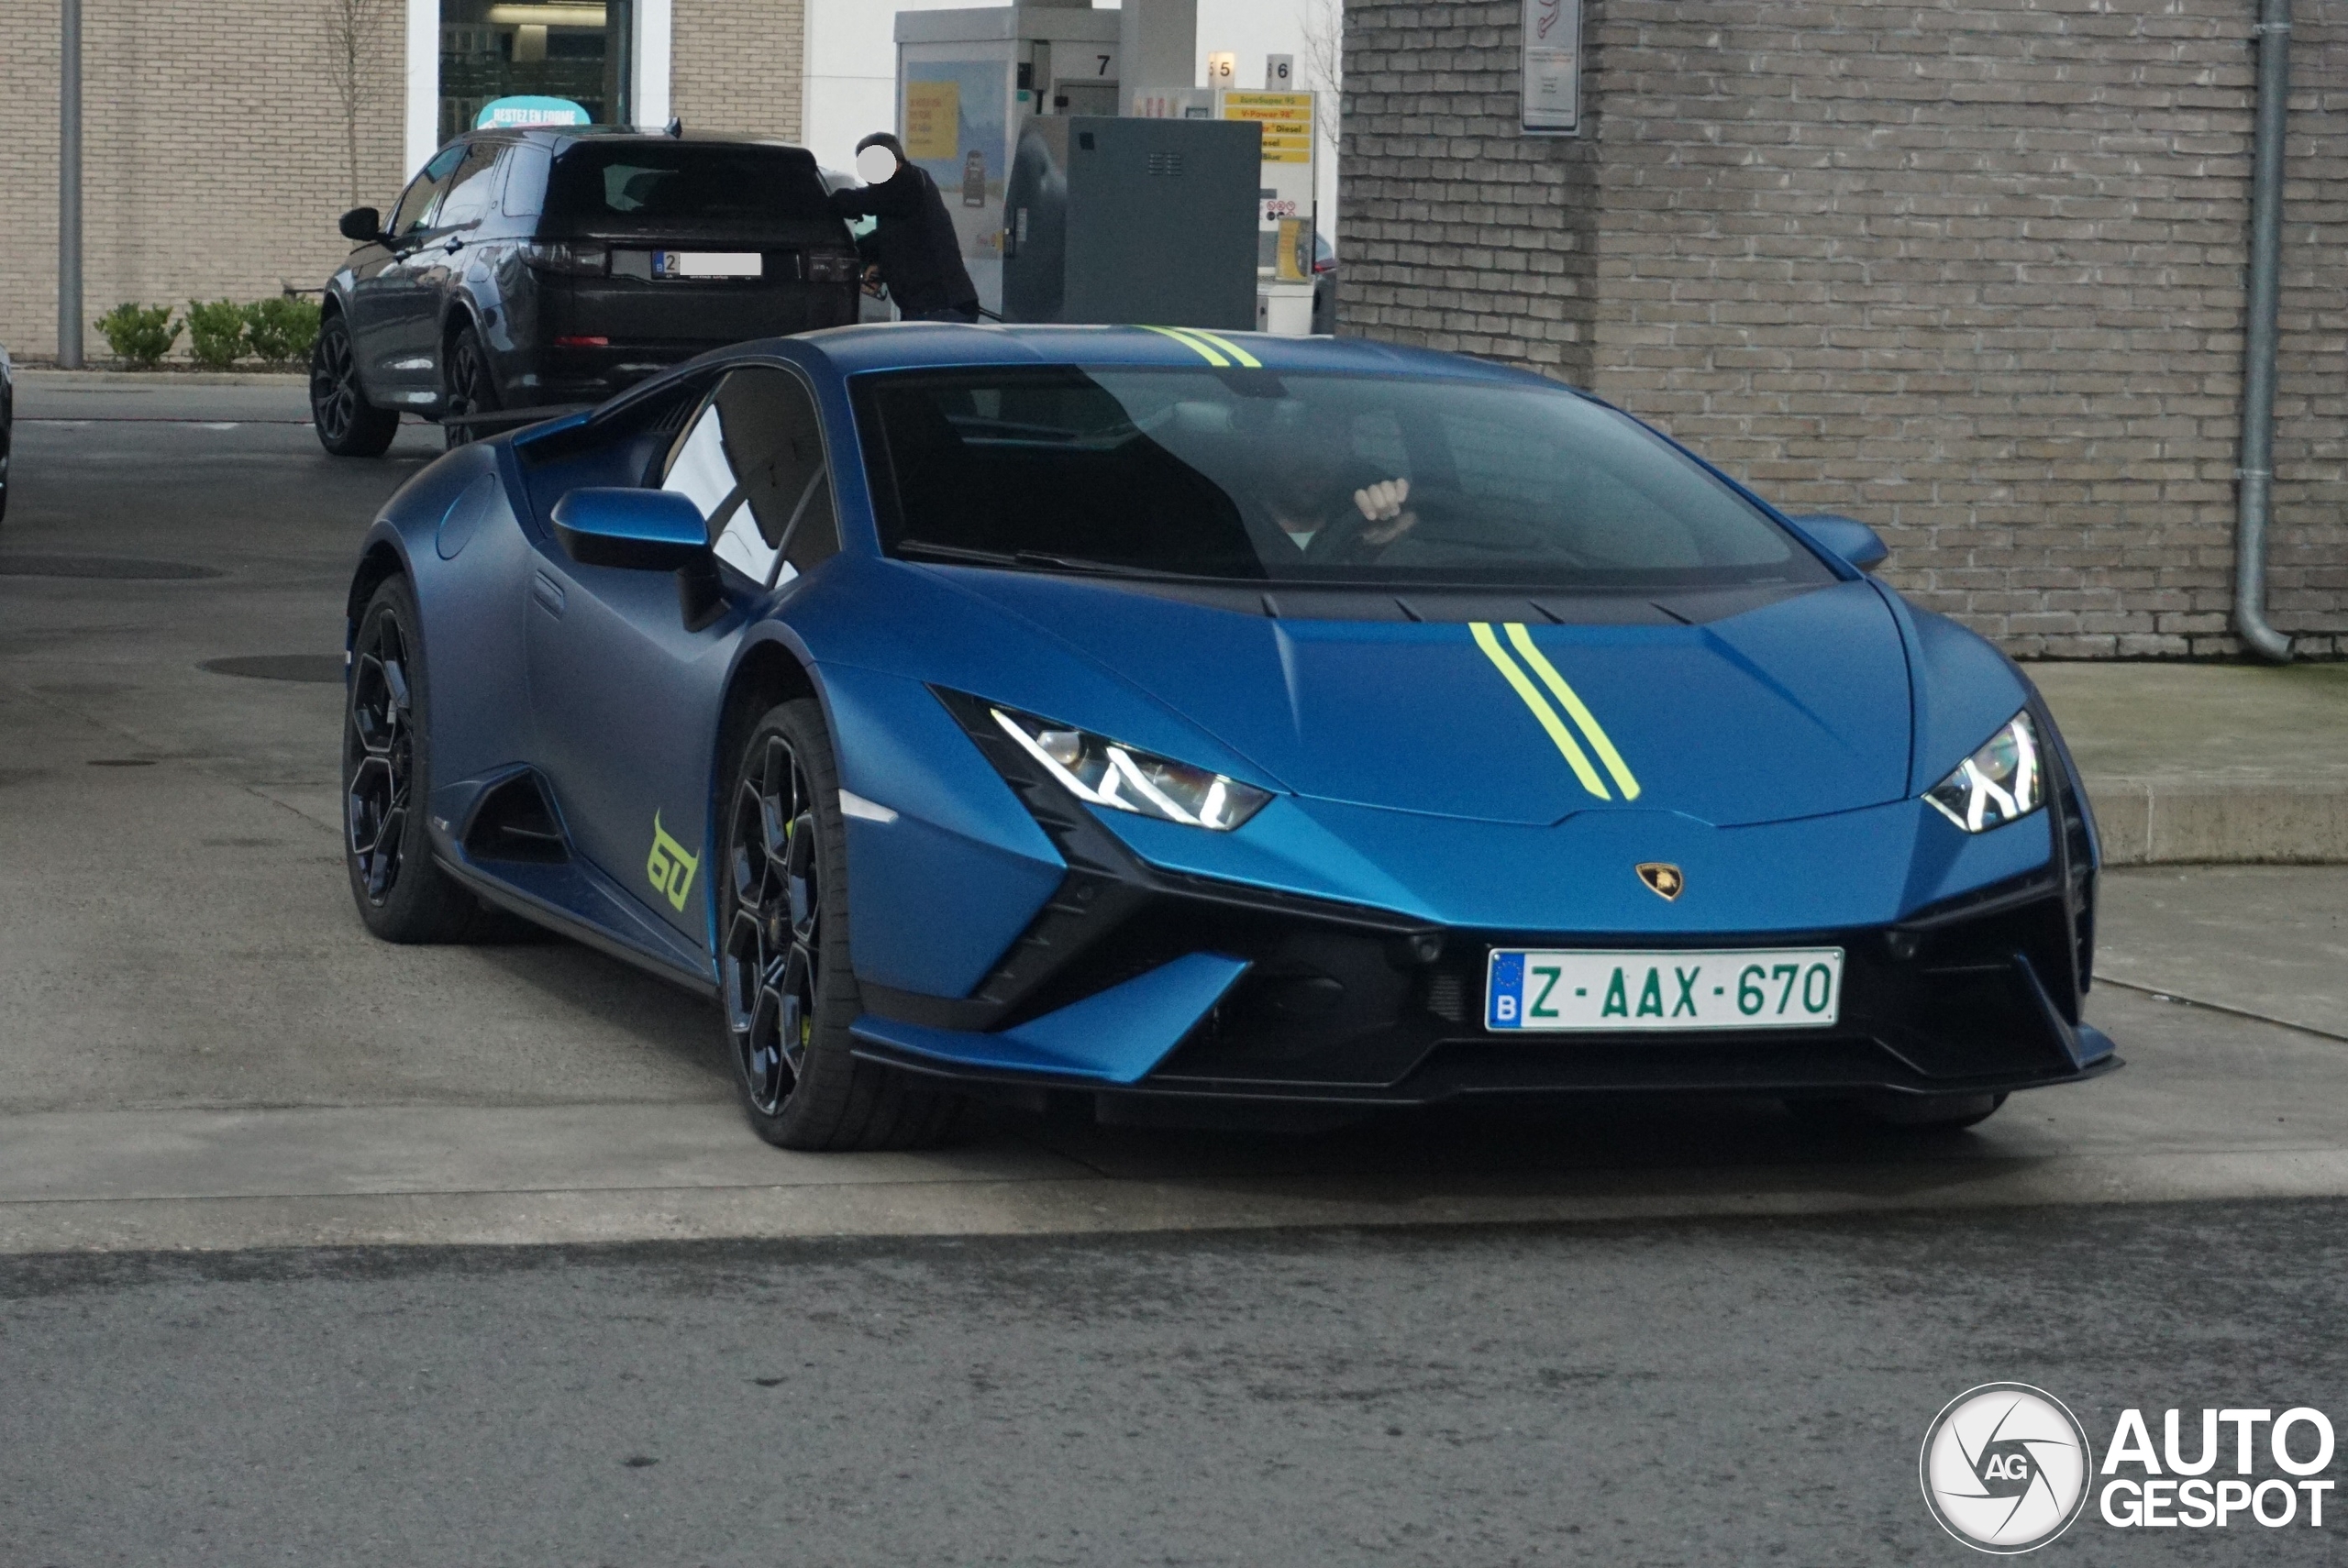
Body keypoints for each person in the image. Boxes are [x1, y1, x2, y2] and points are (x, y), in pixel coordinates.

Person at [827, 133, 982, 324]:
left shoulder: (908, 184)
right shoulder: (911, 186)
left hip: (939, 309)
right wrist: (874, 260)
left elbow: (858, 202)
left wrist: (825, 202)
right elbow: (897, 237)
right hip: (936, 307)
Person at [1252, 406, 1421, 565]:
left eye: (1328, 440)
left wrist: (1405, 521)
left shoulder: (1367, 526)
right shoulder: (1231, 530)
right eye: (1297, 440)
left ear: (1348, 454)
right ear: (1269, 449)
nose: (1313, 458)